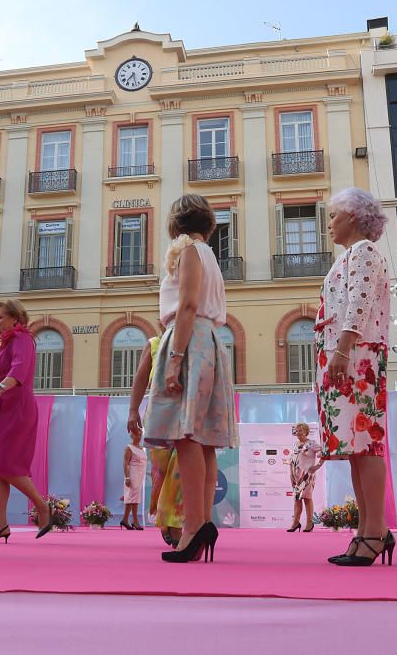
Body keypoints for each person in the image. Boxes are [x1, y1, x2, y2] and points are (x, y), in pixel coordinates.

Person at [144, 193, 237, 564]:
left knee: (186, 436)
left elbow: (186, 306)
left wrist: (174, 359)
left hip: (190, 340)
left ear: (174, 224)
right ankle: (200, 524)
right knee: (204, 440)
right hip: (208, 340)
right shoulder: (209, 255)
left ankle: (194, 526)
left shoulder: (189, 254)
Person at [313, 188, 392, 567]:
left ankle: (376, 530)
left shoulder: (363, 252)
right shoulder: (350, 256)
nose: (329, 223)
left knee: (367, 442)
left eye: (333, 215)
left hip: (357, 356)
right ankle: (368, 528)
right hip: (347, 355)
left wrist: (343, 351)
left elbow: (358, 303)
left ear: (353, 216)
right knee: (355, 448)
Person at [0, 299, 53, 544]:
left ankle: (42, 506)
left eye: (0, 317)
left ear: (15, 319)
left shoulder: (22, 339)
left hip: (15, 408)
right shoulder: (4, 343)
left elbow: (18, 370)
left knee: (7, 465)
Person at [128, 324, 183, 547]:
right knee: (160, 472)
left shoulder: (191, 344)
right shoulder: (153, 344)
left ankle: (176, 522)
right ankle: (164, 519)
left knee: (179, 472)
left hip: (185, 414)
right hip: (159, 415)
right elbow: (140, 379)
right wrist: (133, 410)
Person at [287, 423, 323, 533]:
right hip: (296, 477)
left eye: (301, 430)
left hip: (307, 476)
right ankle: (296, 523)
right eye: (297, 430)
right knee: (297, 499)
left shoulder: (312, 444)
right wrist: (291, 475)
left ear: (306, 432)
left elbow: (324, 453)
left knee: (307, 498)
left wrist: (317, 466)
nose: (298, 432)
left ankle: (309, 523)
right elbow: (292, 460)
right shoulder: (295, 444)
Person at [120, 428, 147, 530]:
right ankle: (135, 521)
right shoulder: (129, 448)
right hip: (132, 475)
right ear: (132, 435)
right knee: (133, 499)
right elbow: (125, 463)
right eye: (136, 435)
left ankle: (125, 520)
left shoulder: (141, 448)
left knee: (131, 499)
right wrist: (127, 477)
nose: (139, 437)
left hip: (140, 476)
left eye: (140, 434)